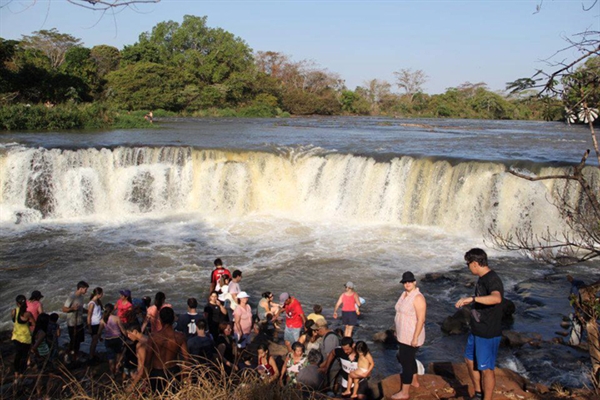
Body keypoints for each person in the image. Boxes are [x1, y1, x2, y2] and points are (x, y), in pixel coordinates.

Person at [455, 248, 504, 400]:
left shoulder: (492, 279)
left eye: (468, 264)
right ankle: (478, 393)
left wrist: (473, 299)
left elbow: (496, 298)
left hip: (488, 332)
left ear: (475, 263)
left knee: (486, 369)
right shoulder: (482, 279)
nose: (468, 267)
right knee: (469, 360)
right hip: (477, 329)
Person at [391, 271, 426, 400]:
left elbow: (421, 319)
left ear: (415, 282)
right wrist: (396, 329)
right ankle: (414, 381)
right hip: (402, 334)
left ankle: (404, 393)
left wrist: (415, 337)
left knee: (405, 361)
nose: (407, 284)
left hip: (412, 335)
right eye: (405, 282)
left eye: (410, 281)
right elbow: (399, 313)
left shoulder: (418, 298)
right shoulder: (404, 294)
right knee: (408, 358)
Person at [147, 307, 190, 394]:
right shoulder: (180, 336)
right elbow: (187, 358)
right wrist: (186, 376)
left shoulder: (153, 337)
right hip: (173, 372)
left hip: (157, 373)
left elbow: (147, 361)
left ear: (160, 319)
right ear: (173, 319)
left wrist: (145, 378)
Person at [62, 280, 89, 363]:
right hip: (72, 323)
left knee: (79, 341)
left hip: (79, 322)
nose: (86, 291)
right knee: (73, 341)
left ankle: (75, 355)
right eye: (85, 289)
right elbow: (64, 309)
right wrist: (72, 309)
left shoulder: (81, 297)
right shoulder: (72, 297)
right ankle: (67, 355)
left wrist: (89, 311)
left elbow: (81, 308)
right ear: (80, 288)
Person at [11, 294, 35, 385]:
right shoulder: (28, 314)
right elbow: (34, 323)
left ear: (17, 304)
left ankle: (16, 376)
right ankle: (22, 378)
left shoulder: (14, 311)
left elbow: (14, 321)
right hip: (25, 339)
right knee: (24, 358)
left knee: (17, 356)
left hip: (16, 337)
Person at [98, 303, 125, 377]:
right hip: (117, 339)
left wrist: (99, 338)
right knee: (119, 354)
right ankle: (117, 368)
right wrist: (126, 336)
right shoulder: (116, 318)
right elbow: (122, 330)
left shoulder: (103, 320)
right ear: (112, 310)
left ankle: (112, 373)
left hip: (108, 340)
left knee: (111, 357)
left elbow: (99, 331)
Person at [124, 322, 149, 394]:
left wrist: (132, 386)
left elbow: (142, 366)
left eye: (129, 333)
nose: (128, 336)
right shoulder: (148, 339)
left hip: (144, 379)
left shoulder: (140, 345)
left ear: (135, 331)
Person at [566, 275, 585, 346]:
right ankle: (575, 342)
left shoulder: (575, 287)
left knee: (576, 324)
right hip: (579, 307)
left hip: (578, 308)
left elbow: (574, 299)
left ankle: (574, 342)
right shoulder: (576, 285)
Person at [87, 287, 104, 362]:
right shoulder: (92, 303)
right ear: (98, 294)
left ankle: (93, 354)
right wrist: (89, 327)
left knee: (96, 340)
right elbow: (89, 315)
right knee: (94, 341)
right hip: (94, 324)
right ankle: (91, 356)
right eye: (102, 293)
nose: (103, 295)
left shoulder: (98, 301)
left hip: (99, 323)